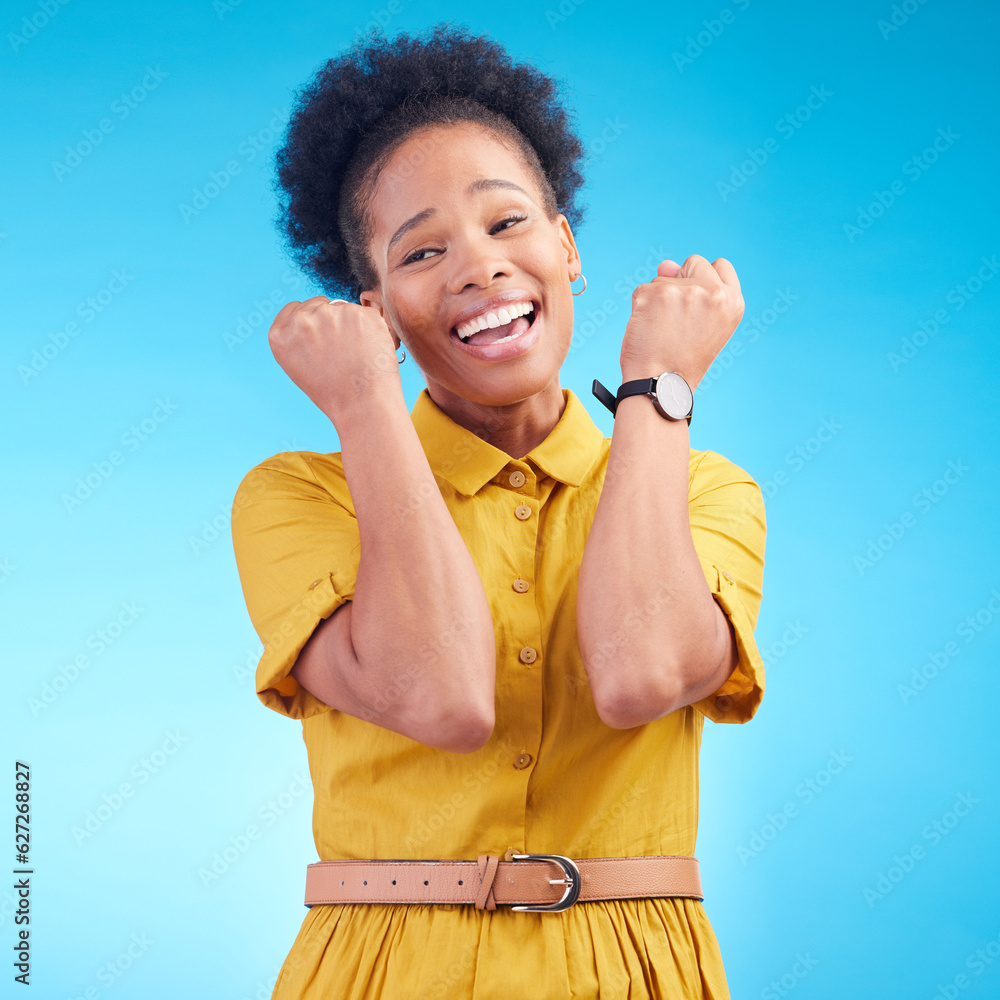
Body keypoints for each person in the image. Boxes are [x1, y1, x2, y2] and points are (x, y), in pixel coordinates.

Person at [230, 23, 767, 1000]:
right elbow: (442, 697)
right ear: (376, 309)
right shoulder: (300, 496)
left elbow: (640, 675)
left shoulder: (702, 487)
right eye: (422, 250)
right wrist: (362, 402)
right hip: (386, 969)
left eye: (507, 223)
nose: (477, 266)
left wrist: (656, 388)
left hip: (633, 969)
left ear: (566, 247)